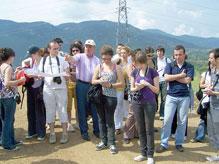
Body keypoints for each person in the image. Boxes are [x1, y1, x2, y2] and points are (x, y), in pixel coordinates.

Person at [156, 45, 194, 153]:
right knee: (167, 120)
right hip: (171, 96)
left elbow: (187, 80)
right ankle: (164, 143)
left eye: (180, 54)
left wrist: (174, 77)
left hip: (184, 97)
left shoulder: (190, 66)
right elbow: (166, 78)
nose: (177, 57)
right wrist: (181, 75)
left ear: (184, 54)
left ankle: (179, 143)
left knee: (182, 121)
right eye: (176, 55)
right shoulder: (170, 64)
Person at [65, 39, 99, 141]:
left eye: (90, 46)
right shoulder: (80, 56)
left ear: (94, 48)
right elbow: (72, 59)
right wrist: (68, 57)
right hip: (81, 85)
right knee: (81, 108)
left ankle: (97, 130)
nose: (88, 48)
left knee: (95, 108)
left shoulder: (97, 60)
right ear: (84, 47)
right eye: (86, 46)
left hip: (93, 86)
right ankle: (84, 132)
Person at [92, 45, 124, 154]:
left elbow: (121, 83)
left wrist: (110, 85)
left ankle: (112, 143)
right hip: (100, 96)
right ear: (101, 57)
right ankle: (103, 141)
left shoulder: (117, 67)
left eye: (108, 58)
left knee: (110, 120)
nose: (106, 60)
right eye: (104, 58)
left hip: (111, 97)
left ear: (111, 57)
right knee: (101, 119)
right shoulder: (99, 66)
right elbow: (93, 81)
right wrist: (100, 81)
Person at [130, 51, 159, 164]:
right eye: (138, 64)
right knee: (140, 128)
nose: (140, 66)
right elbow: (131, 89)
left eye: (141, 63)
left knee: (149, 129)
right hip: (137, 102)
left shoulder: (153, 72)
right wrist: (138, 87)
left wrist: (147, 84)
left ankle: (150, 155)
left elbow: (156, 90)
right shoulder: (134, 72)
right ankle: (143, 153)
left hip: (149, 103)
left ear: (146, 62)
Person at [38, 41, 69, 144]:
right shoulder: (43, 60)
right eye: (54, 48)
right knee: (49, 110)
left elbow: (68, 74)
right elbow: (39, 74)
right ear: (49, 49)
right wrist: (40, 76)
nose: (56, 50)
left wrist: (66, 75)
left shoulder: (63, 59)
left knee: (63, 110)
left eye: (57, 48)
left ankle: (65, 133)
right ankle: (52, 133)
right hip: (48, 89)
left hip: (61, 88)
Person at [0, 48, 26, 150]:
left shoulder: (2, 66)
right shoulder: (8, 67)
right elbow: (7, 83)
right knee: (9, 120)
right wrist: (20, 79)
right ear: (10, 57)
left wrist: (15, 72)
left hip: (2, 97)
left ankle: (9, 140)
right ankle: (7, 144)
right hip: (9, 97)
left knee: (4, 120)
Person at [22, 46, 46, 141]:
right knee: (31, 109)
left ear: (36, 53)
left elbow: (47, 74)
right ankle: (32, 131)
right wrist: (24, 68)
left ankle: (41, 132)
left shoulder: (44, 61)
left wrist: (36, 75)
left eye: (31, 54)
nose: (30, 56)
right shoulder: (31, 60)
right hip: (31, 87)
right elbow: (24, 62)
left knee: (39, 110)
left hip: (40, 87)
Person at [191, 53, 215, 143]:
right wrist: (207, 85)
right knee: (203, 118)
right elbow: (200, 85)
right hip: (206, 99)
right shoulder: (205, 74)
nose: (212, 66)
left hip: (215, 99)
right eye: (211, 64)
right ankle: (199, 136)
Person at [205, 48, 219, 162]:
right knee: (212, 129)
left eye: (211, 58)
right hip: (212, 104)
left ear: (217, 59)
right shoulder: (214, 71)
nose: (209, 60)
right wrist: (210, 88)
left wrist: (213, 92)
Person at [123, 49, 139, 144]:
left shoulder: (141, 66)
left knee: (138, 114)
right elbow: (131, 78)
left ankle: (136, 133)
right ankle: (127, 135)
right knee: (131, 114)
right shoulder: (130, 67)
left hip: (141, 92)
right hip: (133, 92)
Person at [66, 42, 83, 131]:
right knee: (68, 106)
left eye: (77, 50)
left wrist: (73, 73)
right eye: (73, 50)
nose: (75, 52)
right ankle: (69, 123)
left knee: (78, 106)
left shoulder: (82, 60)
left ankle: (77, 122)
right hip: (68, 84)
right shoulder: (68, 60)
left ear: (80, 51)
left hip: (78, 84)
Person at [114, 45, 130, 135]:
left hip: (127, 89)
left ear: (128, 54)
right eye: (121, 53)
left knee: (127, 108)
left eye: (124, 53)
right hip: (118, 88)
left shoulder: (130, 63)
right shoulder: (117, 62)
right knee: (118, 107)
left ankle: (127, 126)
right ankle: (117, 126)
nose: (123, 54)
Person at [152, 46, 171, 120]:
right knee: (154, 97)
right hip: (155, 81)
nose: (159, 53)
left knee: (164, 98)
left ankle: (162, 113)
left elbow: (170, 69)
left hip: (164, 81)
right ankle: (154, 111)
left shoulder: (167, 60)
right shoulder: (154, 60)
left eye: (161, 51)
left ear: (163, 52)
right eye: (158, 51)